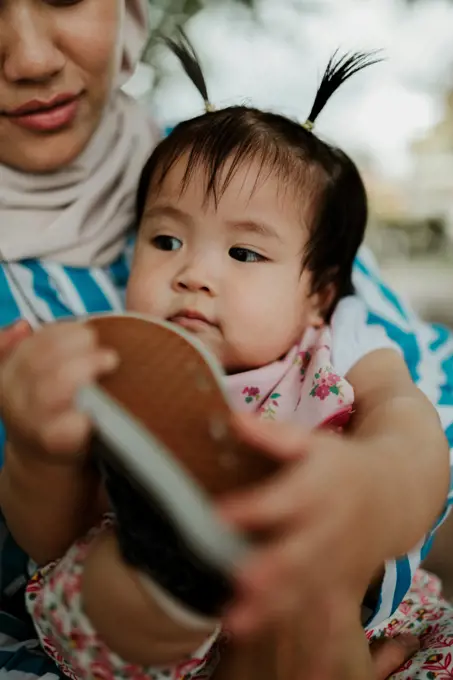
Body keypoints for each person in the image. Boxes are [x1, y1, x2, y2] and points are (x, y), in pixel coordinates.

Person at [0, 34, 450, 680]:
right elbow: (47, 534)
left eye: (243, 253)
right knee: (113, 577)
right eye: (165, 238)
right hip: (145, 603)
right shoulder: (115, 354)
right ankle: (181, 591)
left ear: (317, 294)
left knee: (312, 590)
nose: (192, 274)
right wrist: (37, 453)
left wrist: (376, 485)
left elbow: (406, 420)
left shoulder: (335, 339)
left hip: (316, 580)